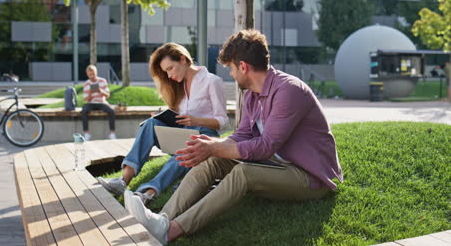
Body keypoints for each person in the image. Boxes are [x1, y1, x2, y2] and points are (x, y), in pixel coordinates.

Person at [123, 30, 343, 245]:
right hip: (276, 163)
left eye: (230, 68)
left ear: (243, 67)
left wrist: (215, 148)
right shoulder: (251, 97)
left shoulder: (289, 91)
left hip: (308, 176)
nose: (230, 74)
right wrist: (211, 145)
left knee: (243, 172)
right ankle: (162, 219)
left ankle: (171, 231)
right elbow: (243, 135)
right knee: (212, 161)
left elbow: (265, 146)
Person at [98, 43, 229, 204]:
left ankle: (148, 193)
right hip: (182, 133)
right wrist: (162, 115)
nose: (169, 75)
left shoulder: (212, 81)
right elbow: (178, 115)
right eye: (166, 71)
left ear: (183, 59)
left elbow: (223, 121)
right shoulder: (177, 86)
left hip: (203, 136)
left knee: (184, 149)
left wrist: (196, 120)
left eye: (170, 68)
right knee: (151, 123)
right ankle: (123, 181)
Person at [81, 64, 116, 141]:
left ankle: (112, 133)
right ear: (87, 74)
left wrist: (100, 91)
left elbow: (107, 95)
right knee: (84, 111)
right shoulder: (86, 84)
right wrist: (90, 93)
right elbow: (86, 99)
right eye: (90, 74)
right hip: (91, 103)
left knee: (111, 111)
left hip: (102, 102)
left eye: (93, 73)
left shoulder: (103, 81)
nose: (92, 76)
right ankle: (86, 133)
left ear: (96, 72)